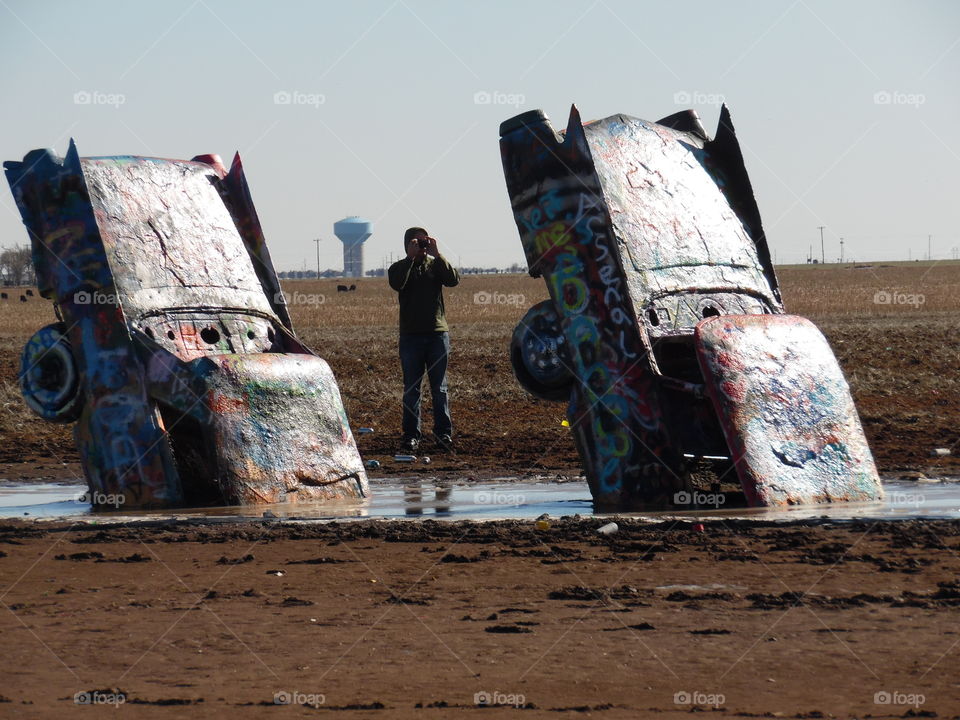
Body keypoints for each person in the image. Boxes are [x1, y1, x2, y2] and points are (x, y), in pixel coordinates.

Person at [388, 227, 460, 453]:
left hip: (438, 334)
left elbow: (452, 280)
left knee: (440, 389)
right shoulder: (398, 268)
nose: (420, 245)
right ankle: (411, 436)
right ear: (407, 244)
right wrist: (410, 258)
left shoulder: (435, 265)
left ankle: (443, 435)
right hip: (411, 336)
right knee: (412, 389)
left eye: (423, 241)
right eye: (415, 242)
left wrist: (438, 254)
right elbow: (398, 283)